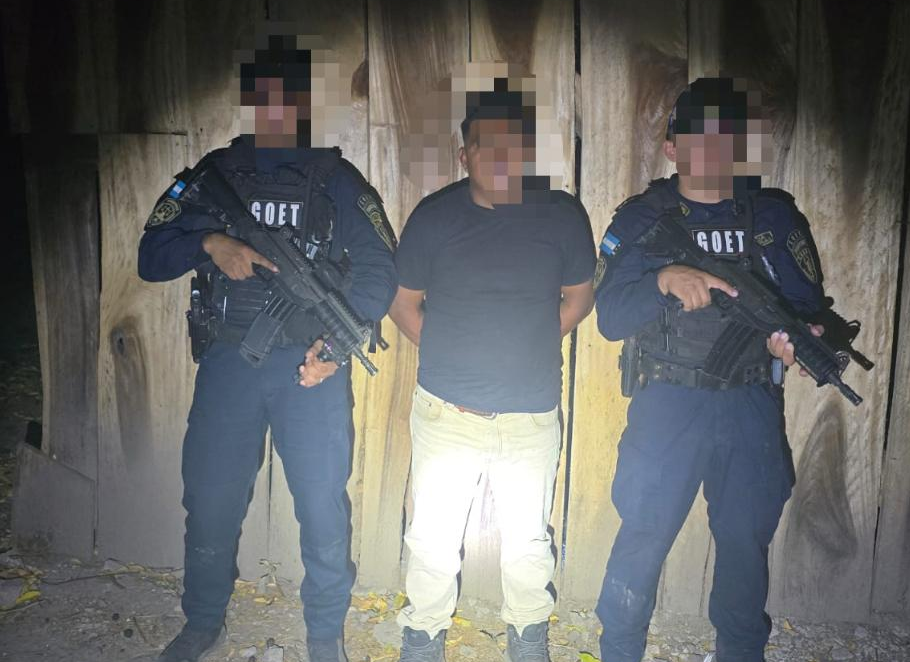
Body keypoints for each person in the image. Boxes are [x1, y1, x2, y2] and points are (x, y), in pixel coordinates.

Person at [137, 34, 398, 662]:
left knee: (322, 506)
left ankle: (324, 635)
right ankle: (203, 624)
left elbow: (379, 270)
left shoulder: (337, 180)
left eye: (291, 96)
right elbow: (151, 256)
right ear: (252, 100)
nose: (279, 107)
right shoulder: (213, 176)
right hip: (230, 363)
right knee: (210, 498)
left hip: (312, 367)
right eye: (268, 95)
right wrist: (211, 245)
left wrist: (336, 345)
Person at [593, 77, 826, 662]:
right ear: (673, 147)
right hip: (668, 403)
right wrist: (662, 281)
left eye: (728, 136)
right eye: (700, 136)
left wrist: (798, 343)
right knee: (644, 534)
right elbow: (610, 318)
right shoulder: (642, 220)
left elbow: (807, 311)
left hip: (749, 403)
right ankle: (619, 649)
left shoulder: (773, 219)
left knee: (745, 542)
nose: (715, 148)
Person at [387, 77, 597, 662]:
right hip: (446, 412)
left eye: (514, 146)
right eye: (488, 146)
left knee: (527, 541)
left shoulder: (562, 217)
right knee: (431, 538)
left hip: (530, 415)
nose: (502, 158)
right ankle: (423, 637)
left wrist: (527, 343)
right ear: (465, 155)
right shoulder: (434, 218)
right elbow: (402, 304)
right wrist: (451, 351)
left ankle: (528, 638)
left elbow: (579, 299)